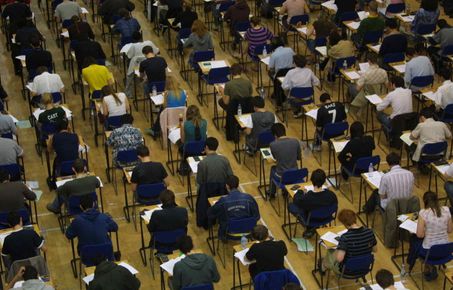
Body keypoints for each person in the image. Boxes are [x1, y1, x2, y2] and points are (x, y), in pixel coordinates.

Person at [408, 191, 452, 280]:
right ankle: (428, 266)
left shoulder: (423, 213)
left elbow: (420, 235)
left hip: (429, 252)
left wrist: (425, 230)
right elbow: (450, 230)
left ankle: (415, 263)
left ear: (425, 201)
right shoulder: (446, 210)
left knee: (414, 239)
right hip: (445, 250)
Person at [321, 209, 377, 274]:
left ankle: (323, 267)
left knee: (330, 250)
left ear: (344, 223)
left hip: (347, 270)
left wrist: (339, 248)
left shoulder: (345, 237)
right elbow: (375, 250)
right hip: (365, 267)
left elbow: (339, 259)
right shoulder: (369, 232)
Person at [289, 169, 338, 238]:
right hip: (327, 217)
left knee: (291, 206)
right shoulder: (331, 195)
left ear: (312, 180)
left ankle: (311, 227)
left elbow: (296, 200)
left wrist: (300, 191)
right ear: (324, 181)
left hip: (311, 219)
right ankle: (314, 227)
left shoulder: (308, 197)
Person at [268, 123, 301, 196]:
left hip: (281, 175)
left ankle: (271, 192)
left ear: (275, 135)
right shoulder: (295, 141)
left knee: (273, 168)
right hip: (295, 173)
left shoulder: (273, 145)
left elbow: (275, 159)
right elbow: (299, 158)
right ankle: (285, 190)